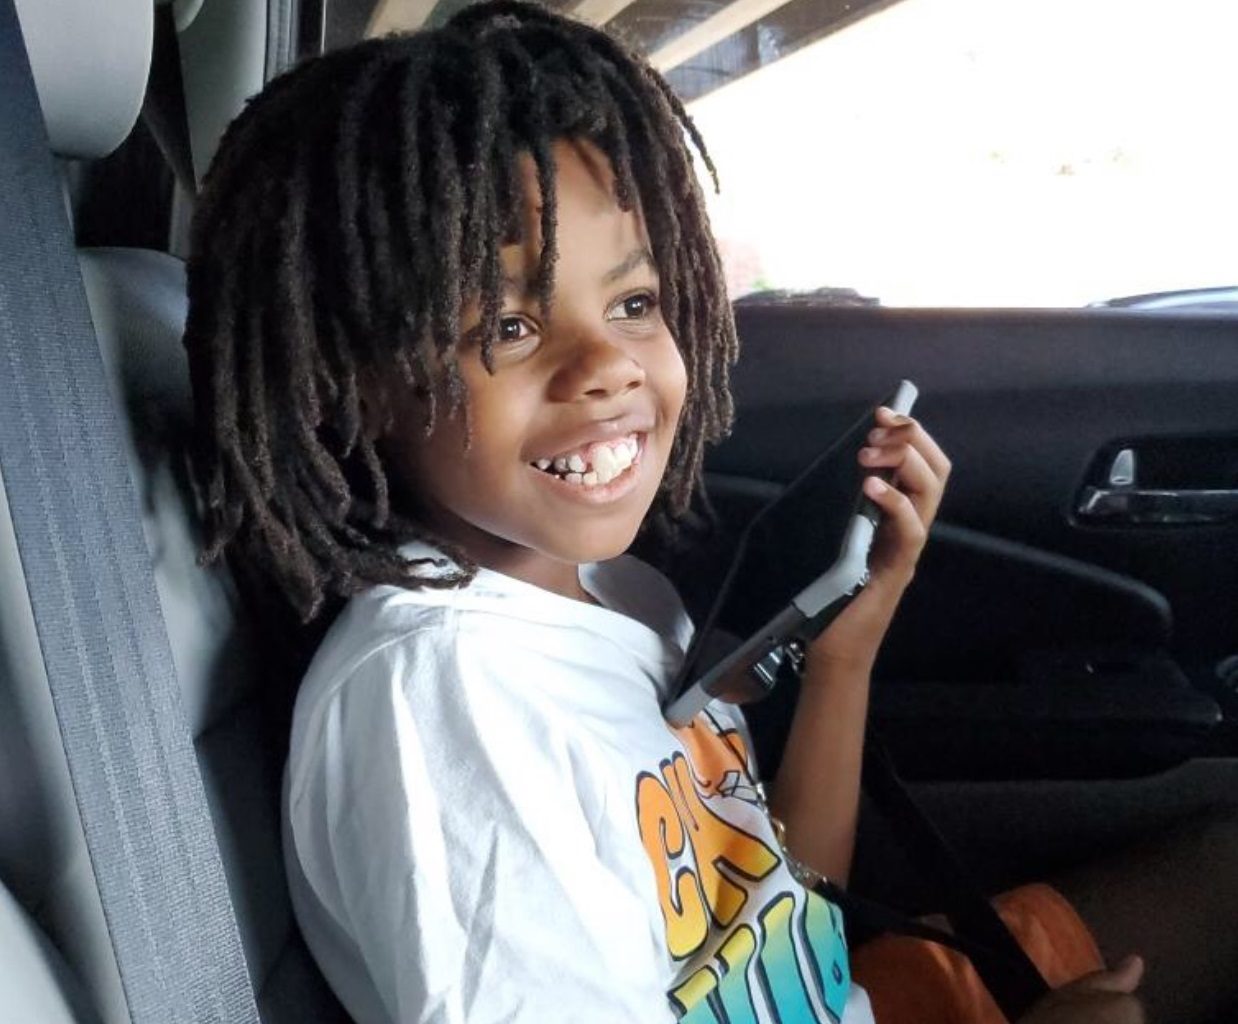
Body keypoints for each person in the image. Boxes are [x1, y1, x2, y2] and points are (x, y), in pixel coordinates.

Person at [180, 3, 1183, 1022]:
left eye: (630, 303)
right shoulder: (445, 703)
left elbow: (784, 922)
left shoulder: (617, 597)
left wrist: (842, 654)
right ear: (357, 381)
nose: (607, 365)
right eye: (511, 323)